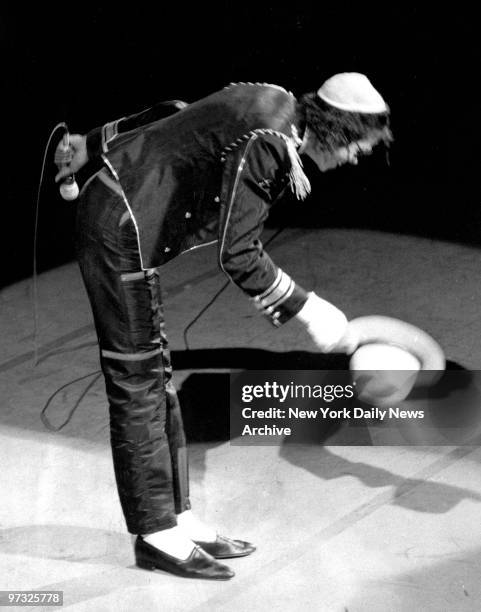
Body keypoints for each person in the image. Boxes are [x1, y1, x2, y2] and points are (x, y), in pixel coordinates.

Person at [55, 73, 392, 580]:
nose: (351, 161)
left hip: (128, 221)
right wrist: (309, 310)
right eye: (355, 149)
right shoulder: (270, 142)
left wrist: (91, 143)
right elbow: (238, 254)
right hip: (118, 228)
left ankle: (177, 519)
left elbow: (175, 109)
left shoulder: (274, 101)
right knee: (137, 383)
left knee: (155, 378)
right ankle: (155, 534)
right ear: (337, 130)